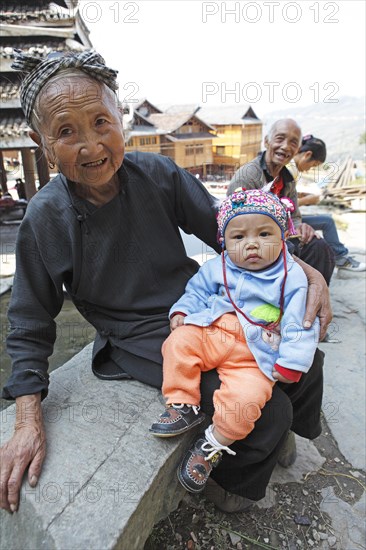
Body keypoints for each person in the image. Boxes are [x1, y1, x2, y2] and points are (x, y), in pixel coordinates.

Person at [0, 50, 331, 515]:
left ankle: (289, 435)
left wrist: (303, 269)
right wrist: (26, 420)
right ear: (42, 143)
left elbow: (226, 228)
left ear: (121, 117)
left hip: (205, 303)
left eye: (100, 122)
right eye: (66, 132)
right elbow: (30, 319)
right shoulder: (46, 217)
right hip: (140, 333)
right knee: (264, 409)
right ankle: (230, 484)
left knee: (306, 360)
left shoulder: (156, 173)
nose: (91, 146)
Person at [150, 189, 319, 494]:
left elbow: (300, 323)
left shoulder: (291, 276)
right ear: (224, 242)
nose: (251, 244)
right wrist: (183, 310)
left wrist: (292, 362)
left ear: (282, 237)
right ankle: (182, 403)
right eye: (238, 237)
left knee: (247, 402)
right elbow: (197, 291)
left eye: (264, 234)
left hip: (256, 353)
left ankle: (212, 444)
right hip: (214, 330)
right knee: (177, 342)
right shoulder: (219, 266)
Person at [227, 119, 335, 285]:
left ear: (297, 149)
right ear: (267, 141)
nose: (285, 146)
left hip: (281, 238)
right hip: (255, 244)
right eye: (279, 139)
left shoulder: (288, 179)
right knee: (290, 253)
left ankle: (313, 302)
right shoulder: (248, 176)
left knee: (319, 247)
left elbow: (295, 216)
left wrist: (301, 226)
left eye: (293, 142)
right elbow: (237, 228)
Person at [290, 135, 365, 272]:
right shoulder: (288, 170)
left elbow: (288, 197)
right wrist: (307, 201)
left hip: (293, 219)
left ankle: (340, 256)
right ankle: (340, 259)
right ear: (307, 155)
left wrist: (300, 196)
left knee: (327, 220)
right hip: (286, 223)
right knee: (326, 224)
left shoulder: (291, 169)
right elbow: (279, 205)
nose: (308, 170)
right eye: (313, 165)